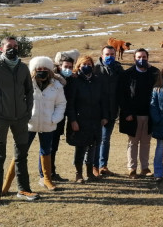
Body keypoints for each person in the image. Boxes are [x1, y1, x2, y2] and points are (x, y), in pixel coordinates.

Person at [0, 36, 39, 207]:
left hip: (21, 118)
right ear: (1, 49)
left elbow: (29, 92)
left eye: (15, 46)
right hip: (1, 119)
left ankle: (24, 189)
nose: (12, 49)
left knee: (22, 155)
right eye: (8, 46)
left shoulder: (22, 68)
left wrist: (27, 112)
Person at [1, 56, 67, 192]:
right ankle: (6, 184)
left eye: (44, 69)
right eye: (39, 69)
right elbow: (18, 102)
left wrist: (54, 118)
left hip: (48, 124)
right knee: (20, 153)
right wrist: (25, 118)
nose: (41, 71)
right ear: (34, 70)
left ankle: (47, 179)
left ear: (49, 70)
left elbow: (61, 103)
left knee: (46, 151)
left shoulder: (57, 85)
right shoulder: (26, 83)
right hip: (28, 125)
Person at [66, 55, 109, 183]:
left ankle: (90, 173)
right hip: (80, 120)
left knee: (93, 146)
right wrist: (73, 120)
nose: (87, 67)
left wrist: (104, 116)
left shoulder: (97, 81)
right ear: (78, 67)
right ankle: (78, 174)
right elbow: (70, 103)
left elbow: (103, 100)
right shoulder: (75, 81)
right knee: (80, 147)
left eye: (89, 64)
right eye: (83, 64)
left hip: (95, 119)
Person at [118, 48, 160, 179]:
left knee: (146, 142)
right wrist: (127, 113)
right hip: (132, 115)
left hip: (149, 114)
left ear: (148, 58)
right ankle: (132, 168)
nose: (141, 59)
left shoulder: (154, 73)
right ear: (134, 59)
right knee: (133, 142)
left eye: (144, 57)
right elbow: (122, 96)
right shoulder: (127, 74)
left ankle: (145, 168)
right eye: (138, 57)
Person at [93, 45, 124, 177]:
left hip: (112, 110)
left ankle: (103, 166)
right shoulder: (95, 69)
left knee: (106, 139)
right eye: (107, 54)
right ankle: (93, 167)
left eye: (112, 54)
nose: (110, 56)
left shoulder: (118, 69)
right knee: (95, 140)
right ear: (102, 55)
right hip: (97, 110)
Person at [48, 50, 78, 182]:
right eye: (66, 67)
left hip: (62, 117)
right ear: (59, 66)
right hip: (51, 116)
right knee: (48, 146)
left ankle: (52, 172)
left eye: (71, 67)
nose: (68, 69)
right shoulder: (52, 79)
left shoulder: (71, 79)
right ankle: (47, 173)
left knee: (54, 146)